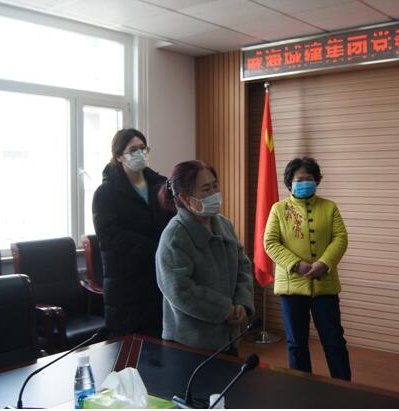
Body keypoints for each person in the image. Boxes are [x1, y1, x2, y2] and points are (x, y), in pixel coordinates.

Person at [264, 157, 351, 381]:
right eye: (299, 179)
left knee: (334, 341)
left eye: (309, 178)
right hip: (292, 288)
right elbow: (270, 242)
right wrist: (296, 264)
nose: (304, 183)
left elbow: (340, 238)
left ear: (317, 180)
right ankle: (301, 389)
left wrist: (324, 263)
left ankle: (344, 388)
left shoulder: (329, 207)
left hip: (325, 286)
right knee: (296, 343)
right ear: (289, 183)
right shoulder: (279, 209)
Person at [155, 160, 254, 352]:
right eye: (206, 189)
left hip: (229, 337)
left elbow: (243, 266)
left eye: (215, 186)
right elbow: (179, 289)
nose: (214, 194)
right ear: (185, 198)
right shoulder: (175, 235)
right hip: (190, 342)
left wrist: (242, 303)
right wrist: (225, 310)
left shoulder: (224, 224)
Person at [92, 128, 173, 338]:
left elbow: (173, 223)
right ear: (119, 156)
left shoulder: (161, 185)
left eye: (143, 148)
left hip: (160, 276)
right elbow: (110, 237)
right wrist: (154, 247)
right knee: (130, 347)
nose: (140, 154)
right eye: (133, 150)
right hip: (126, 282)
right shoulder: (106, 193)